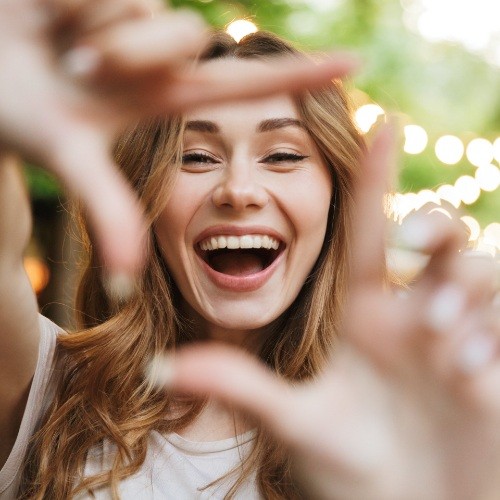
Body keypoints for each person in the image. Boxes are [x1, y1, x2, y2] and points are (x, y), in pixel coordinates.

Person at [1, 2, 499, 500]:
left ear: (336, 197)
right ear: (145, 194)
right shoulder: (49, 389)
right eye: (195, 157)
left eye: (282, 155)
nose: (238, 190)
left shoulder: (414, 416)